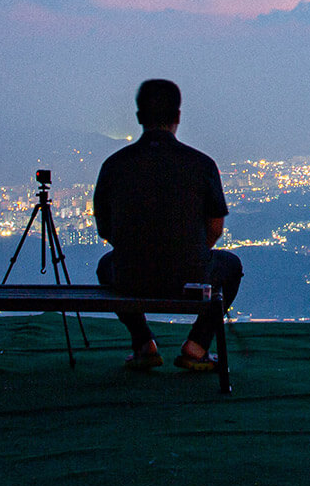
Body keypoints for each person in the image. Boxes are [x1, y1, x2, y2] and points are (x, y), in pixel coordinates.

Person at [92, 79, 244, 371]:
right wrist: (187, 254)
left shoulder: (115, 165)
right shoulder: (201, 164)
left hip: (131, 276)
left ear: (139, 118)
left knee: (105, 265)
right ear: (177, 117)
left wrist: (137, 251)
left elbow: (105, 229)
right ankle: (196, 346)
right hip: (190, 275)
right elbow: (215, 229)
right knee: (231, 266)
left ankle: (143, 344)